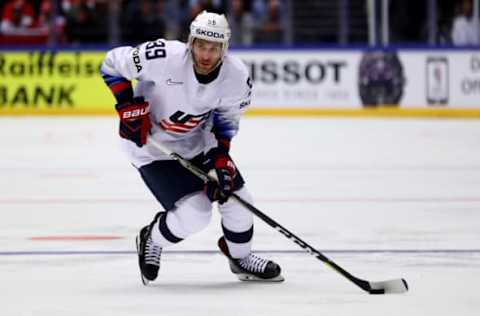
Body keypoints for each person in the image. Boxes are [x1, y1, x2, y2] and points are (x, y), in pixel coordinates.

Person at [100, 10, 283, 284]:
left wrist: (220, 158)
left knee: (239, 200)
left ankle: (240, 258)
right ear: (190, 42)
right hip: (151, 148)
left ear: (225, 48)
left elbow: (224, 121)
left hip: (196, 143)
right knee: (196, 214)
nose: (206, 55)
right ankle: (152, 238)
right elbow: (111, 64)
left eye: (214, 48)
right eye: (201, 46)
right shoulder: (163, 56)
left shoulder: (236, 76)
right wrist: (127, 106)